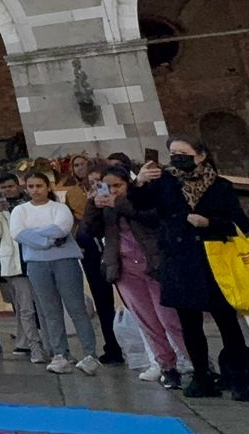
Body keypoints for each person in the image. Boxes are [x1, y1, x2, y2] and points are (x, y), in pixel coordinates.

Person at [133, 138, 249, 400]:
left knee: (226, 320)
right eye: (173, 153)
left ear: (200, 155)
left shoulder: (220, 186)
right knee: (189, 322)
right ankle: (201, 375)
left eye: (183, 153)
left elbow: (238, 223)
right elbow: (140, 205)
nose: (177, 157)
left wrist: (208, 222)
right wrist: (139, 181)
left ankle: (238, 377)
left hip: (215, 259)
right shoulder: (165, 182)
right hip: (180, 259)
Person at [86, 164, 187, 387]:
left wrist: (120, 201)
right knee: (148, 322)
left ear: (128, 184)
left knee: (170, 319)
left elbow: (150, 217)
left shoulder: (140, 197)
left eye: (118, 186)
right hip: (125, 269)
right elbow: (91, 230)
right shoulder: (104, 205)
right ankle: (167, 366)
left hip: (153, 264)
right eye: (108, 187)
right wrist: (93, 206)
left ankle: (195, 362)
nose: (113, 191)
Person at [10, 171, 101, 374]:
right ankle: (60, 354)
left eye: (39, 186)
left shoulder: (60, 208)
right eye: (31, 186)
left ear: (47, 187)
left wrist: (33, 234)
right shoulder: (20, 210)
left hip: (64, 261)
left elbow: (62, 229)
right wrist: (46, 240)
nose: (35, 190)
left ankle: (90, 354)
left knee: (76, 307)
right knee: (50, 311)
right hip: (36, 264)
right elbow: (17, 233)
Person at [62, 153, 124, 365]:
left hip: (117, 245)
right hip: (90, 247)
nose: (79, 168)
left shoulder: (118, 192)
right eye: (76, 165)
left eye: (83, 164)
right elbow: (80, 223)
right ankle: (112, 346)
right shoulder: (73, 193)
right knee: (102, 300)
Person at [0, 174, 44, 362]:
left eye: (10, 186)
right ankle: (32, 344)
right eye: (3, 187)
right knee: (25, 307)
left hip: (36, 258)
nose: (8, 190)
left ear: (18, 186)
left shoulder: (30, 203)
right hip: (15, 263)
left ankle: (44, 342)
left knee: (42, 305)